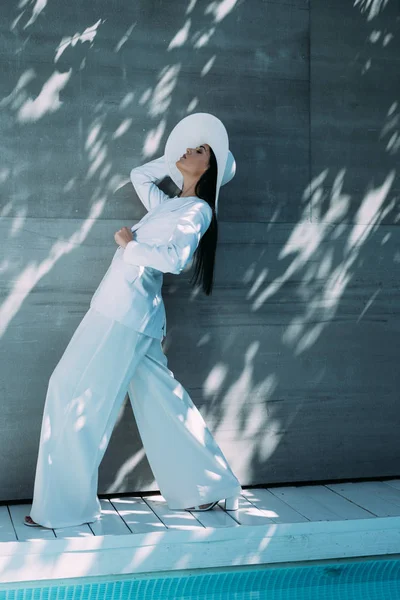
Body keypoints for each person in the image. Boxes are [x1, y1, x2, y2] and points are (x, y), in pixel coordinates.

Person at [24, 113, 242, 529]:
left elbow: (176, 259)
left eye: (200, 150)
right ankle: (212, 486)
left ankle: (65, 508)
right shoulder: (172, 204)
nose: (189, 150)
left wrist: (129, 246)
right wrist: (174, 160)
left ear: (211, 168)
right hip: (131, 312)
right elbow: (140, 175)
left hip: (123, 313)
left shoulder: (197, 211)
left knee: (70, 389)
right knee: (164, 402)